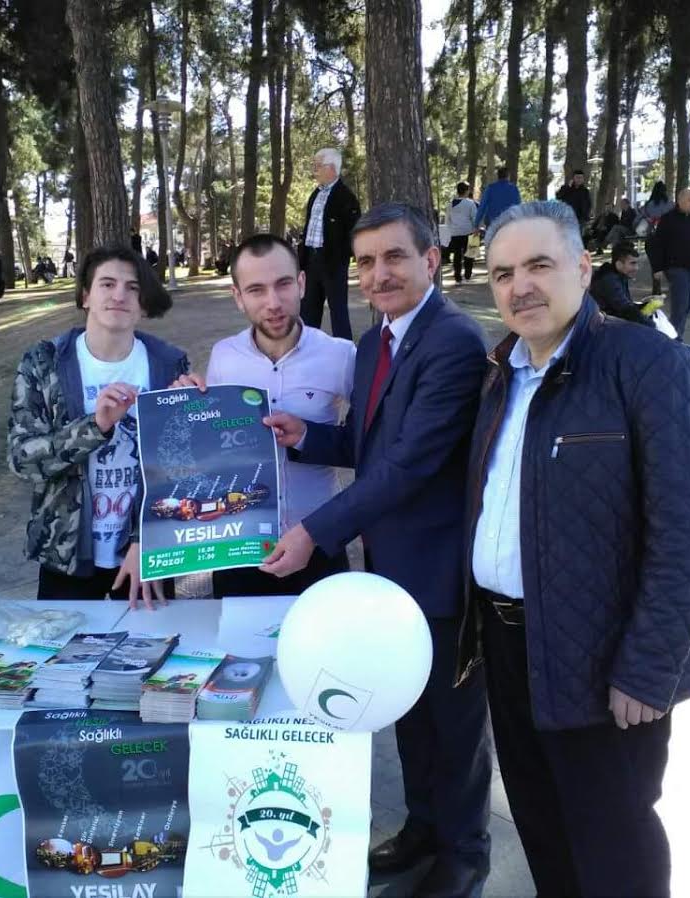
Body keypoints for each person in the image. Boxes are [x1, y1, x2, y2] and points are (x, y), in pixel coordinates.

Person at [458, 200, 690, 898]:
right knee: (543, 830)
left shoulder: (646, 365)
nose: (520, 286)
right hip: (510, 650)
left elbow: (686, 529)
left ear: (582, 266)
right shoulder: (499, 374)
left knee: (613, 850)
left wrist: (646, 667)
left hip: (606, 664)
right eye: (502, 272)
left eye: (538, 264)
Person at [262, 203, 493, 897]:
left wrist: (312, 531)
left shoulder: (451, 340)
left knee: (454, 729)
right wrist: (306, 436)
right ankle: (424, 830)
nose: (377, 273)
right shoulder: (374, 343)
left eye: (394, 257)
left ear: (430, 260)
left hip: (442, 571)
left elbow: (410, 466)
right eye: (365, 261)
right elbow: (372, 450)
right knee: (411, 714)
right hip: (391, 572)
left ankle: (464, 856)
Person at [175, 234, 356, 598]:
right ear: (238, 297)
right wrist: (184, 406)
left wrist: (307, 435)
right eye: (256, 290)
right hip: (241, 549)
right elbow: (211, 451)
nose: (273, 303)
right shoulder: (224, 356)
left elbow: (365, 444)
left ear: (302, 283)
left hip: (317, 542)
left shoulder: (341, 355)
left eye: (283, 284)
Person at [8, 246, 188, 606]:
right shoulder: (44, 362)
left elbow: (177, 468)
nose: (119, 295)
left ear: (143, 303)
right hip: (67, 554)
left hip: (145, 558)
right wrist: (97, 425)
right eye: (107, 284)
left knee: (149, 655)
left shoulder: (169, 364)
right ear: (86, 295)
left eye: (133, 288)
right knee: (64, 659)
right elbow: (21, 459)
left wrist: (146, 540)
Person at [590, 243, 690, 376]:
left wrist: (644, 305)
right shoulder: (609, 280)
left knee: (662, 330)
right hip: (609, 331)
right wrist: (649, 324)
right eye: (632, 263)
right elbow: (624, 309)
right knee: (661, 337)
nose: (636, 268)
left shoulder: (616, 276)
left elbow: (623, 307)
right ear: (618, 264)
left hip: (616, 324)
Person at [298, 147, 362, 341]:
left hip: (333, 264)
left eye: (318, 165)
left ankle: (345, 352)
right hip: (311, 261)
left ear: (332, 168)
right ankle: (306, 350)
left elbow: (354, 234)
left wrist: (340, 256)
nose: (314, 170)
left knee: (338, 312)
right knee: (308, 311)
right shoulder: (314, 195)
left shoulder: (346, 197)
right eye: (314, 165)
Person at [648, 188, 690, 337]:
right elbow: (656, 245)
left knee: (687, 307)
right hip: (676, 268)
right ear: (680, 201)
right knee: (680, 307)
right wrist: (657, 268)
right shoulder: (668, 219)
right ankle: (673, 341)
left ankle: (676, 338)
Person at [446, 182, 479, 283]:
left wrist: (451, 229)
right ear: (466, 191)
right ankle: (467, 275)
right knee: (469, 254)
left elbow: (448, 219)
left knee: (457, 255)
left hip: (455, 233)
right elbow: (474, 218)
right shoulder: (470, 203)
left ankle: (457, 276)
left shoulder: (450, 204)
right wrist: (476, 229)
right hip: (468, 231)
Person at [474, 166, 522, 234]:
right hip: (509, 224)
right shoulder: (514, 189)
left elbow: (482, 207)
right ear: (508, 176)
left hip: (493, 224)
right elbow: (519, 207)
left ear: (498, 176)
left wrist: (476, 224)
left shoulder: (490, 188)